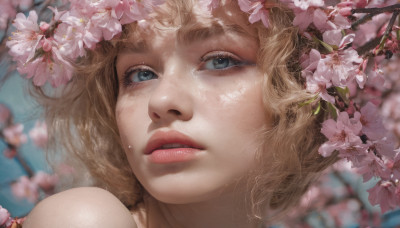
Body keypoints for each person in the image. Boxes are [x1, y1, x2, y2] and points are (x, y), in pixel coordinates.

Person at [13, 0, 339, 227]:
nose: (162, 100)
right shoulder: (86, 219)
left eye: (219, 61)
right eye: (140, 74)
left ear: (302, 88)